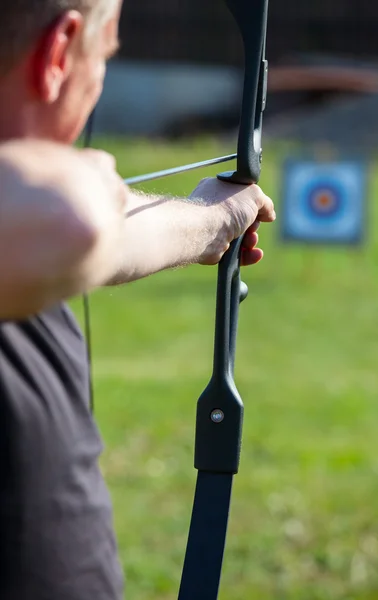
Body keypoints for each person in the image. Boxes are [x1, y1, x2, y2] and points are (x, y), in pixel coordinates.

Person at [0, 1, 275, 599]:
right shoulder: (44, 216)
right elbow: (69, 215)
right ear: (59, 53)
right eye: (104, 56)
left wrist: (213, 220)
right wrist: (95, 180)